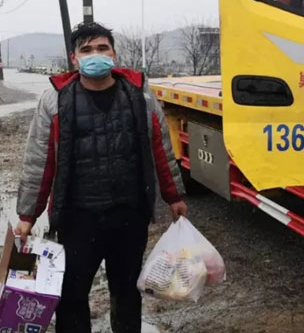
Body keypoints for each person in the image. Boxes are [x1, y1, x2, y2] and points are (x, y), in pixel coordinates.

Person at [14, 22, 188, 333]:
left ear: (113, 53)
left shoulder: (139, 95)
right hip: (78, 219)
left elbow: (160, 147)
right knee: (71, 296)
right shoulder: (55, 100)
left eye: (102, 48)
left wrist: (173, 196)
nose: (95, 54)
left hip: (129, 216)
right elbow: (40, 160)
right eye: (87, 50)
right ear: (74, 58)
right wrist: (28, 215)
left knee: (127, 292)